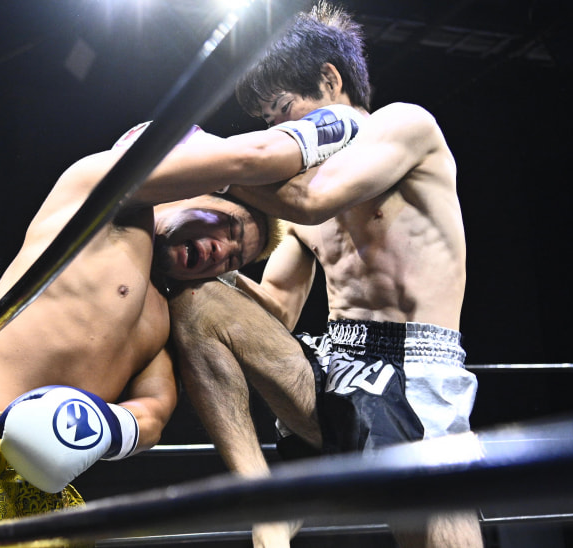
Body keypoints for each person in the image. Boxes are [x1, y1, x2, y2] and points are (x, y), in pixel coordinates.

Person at [0, 106, 360, 531]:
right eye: (228, 226)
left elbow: (155, 411)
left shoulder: (161, 318)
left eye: (233, 260)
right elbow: (245, 159)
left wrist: (103, 428)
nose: (221, 251)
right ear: (194, 190)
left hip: (50, 492)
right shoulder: (98, 197)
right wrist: (332, 126)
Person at [167, 3, 482, 547]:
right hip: (334, 365)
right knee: (197, 303)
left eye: (284, 109)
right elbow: (278, 310)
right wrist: (214, 277)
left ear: (331, 80)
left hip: (416, 372)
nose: (281, 130)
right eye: (269, 122)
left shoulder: (405, 125)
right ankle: (263, 502)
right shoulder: (297, 195)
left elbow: (315, 201)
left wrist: (203, 164)